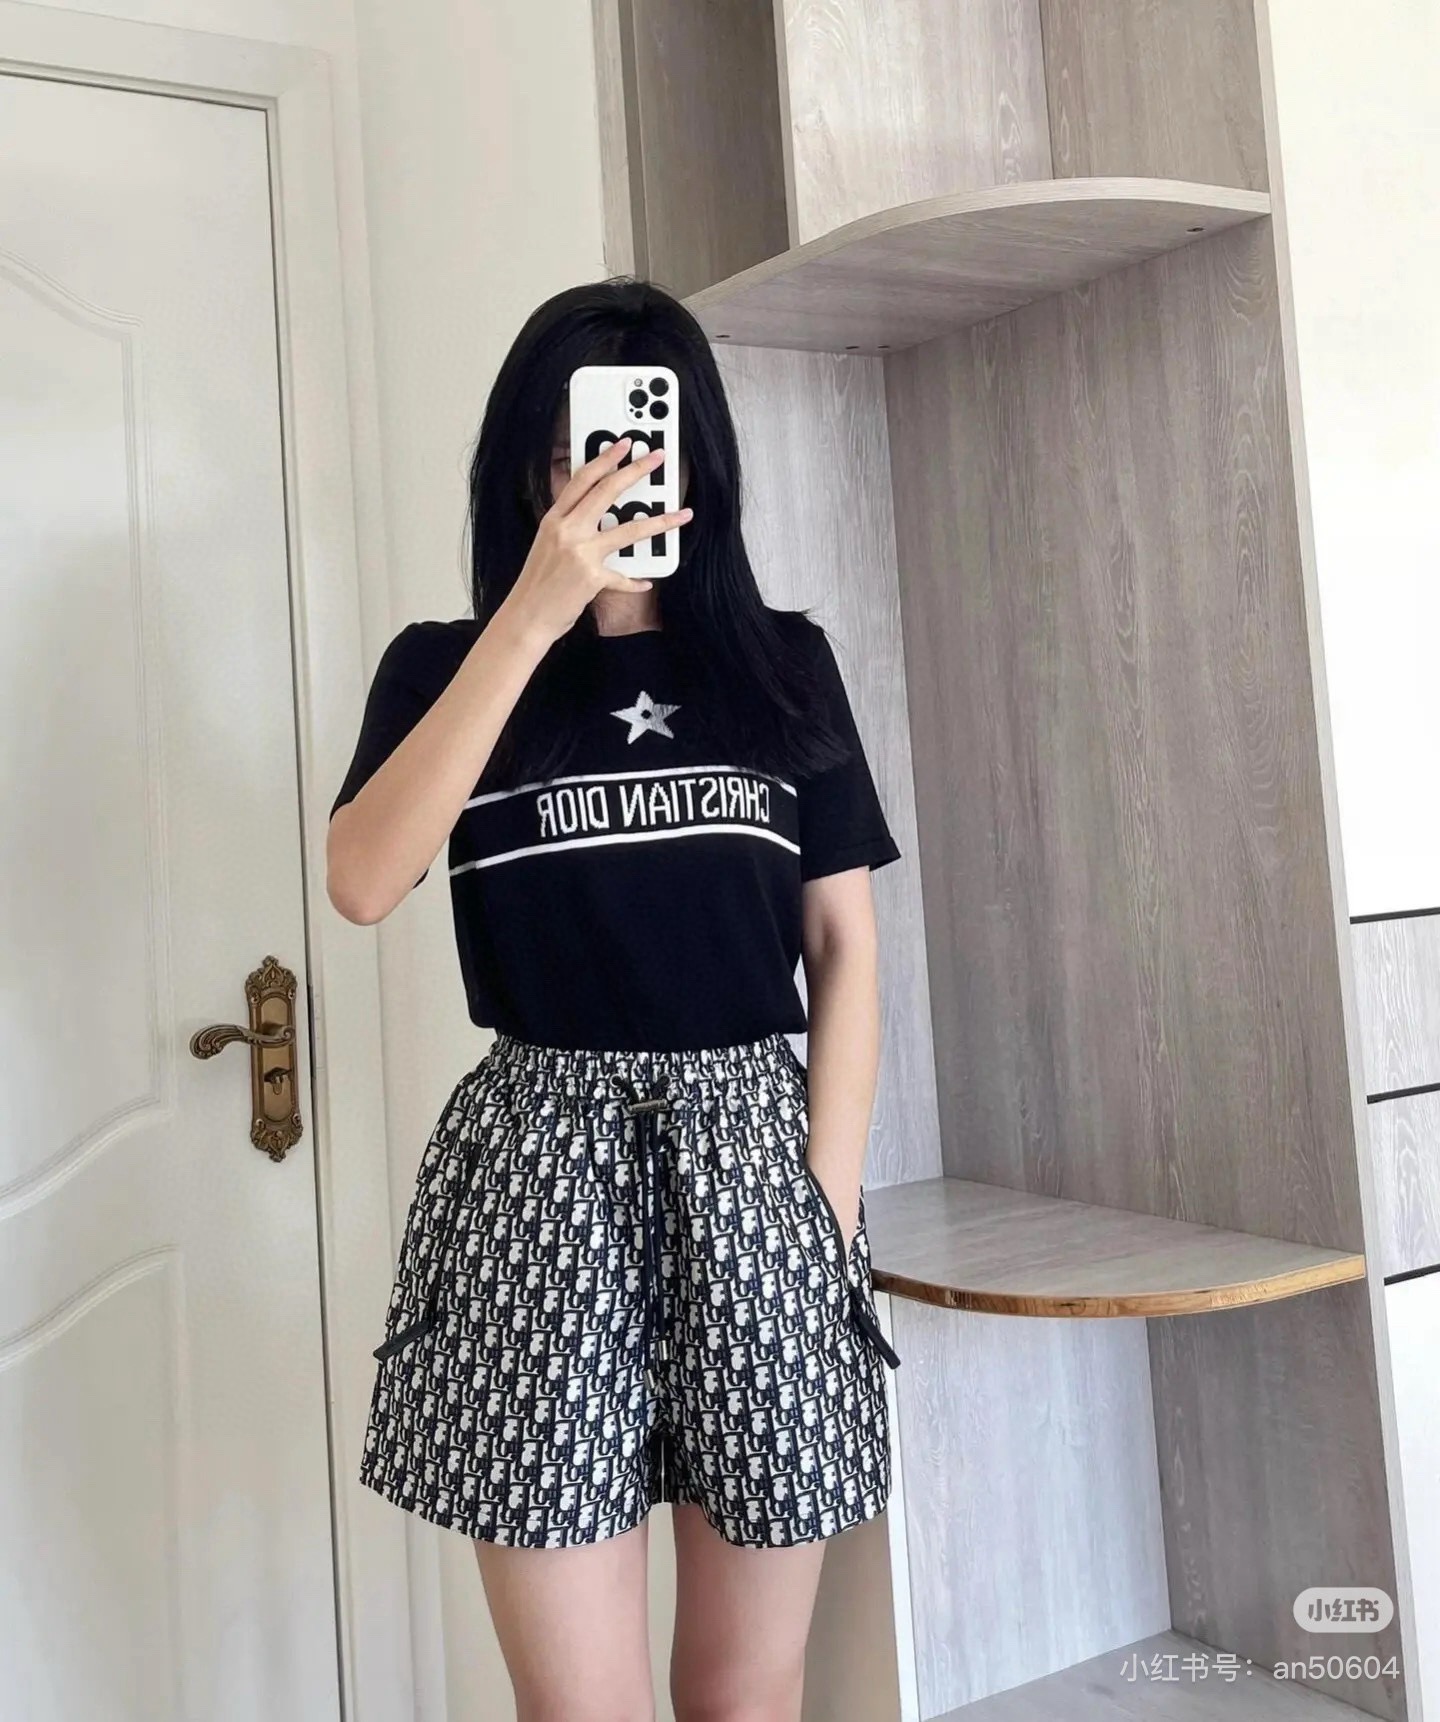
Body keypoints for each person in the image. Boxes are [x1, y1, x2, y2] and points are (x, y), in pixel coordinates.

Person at [327, 276, 903, 1720]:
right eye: (570, 450)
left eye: (643, 447)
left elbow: (845, 949)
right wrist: (532, 616)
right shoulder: (443, 669)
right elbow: (362, 878)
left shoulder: (783, 665)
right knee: (580, 1706)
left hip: (759, 1165)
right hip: (540, 1170)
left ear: (697, 463)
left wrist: (822, 1214)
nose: (604, 481)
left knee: (744, 1690)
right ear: (525, 467)